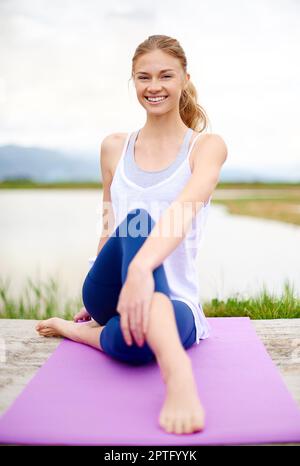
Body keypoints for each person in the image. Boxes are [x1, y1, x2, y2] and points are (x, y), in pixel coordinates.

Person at [36, 34, 227, 435]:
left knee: (140, 347)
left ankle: (78, 334)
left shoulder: (206, 148)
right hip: (111, 292)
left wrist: (142, 269)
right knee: (137, 219)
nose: (153, 86)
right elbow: (110, 223)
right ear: (133, 83)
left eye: (165, 75)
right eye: (143, 77)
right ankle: (179, 378)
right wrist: (112, 278)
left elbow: (184, 209)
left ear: (185, 79)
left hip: (175, 298)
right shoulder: (113, 148)